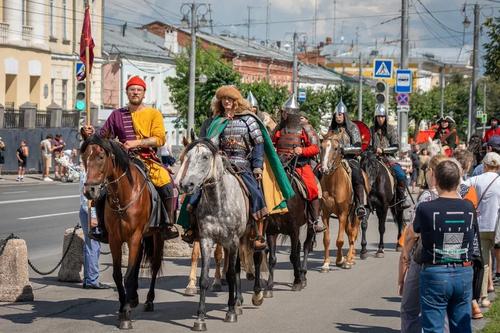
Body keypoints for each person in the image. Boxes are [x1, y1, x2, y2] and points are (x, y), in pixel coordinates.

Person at [80, 76, 178, 242]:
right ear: (127, 92)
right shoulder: (117, 115)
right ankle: (102, 227)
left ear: (144, 93)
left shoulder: (153, 114)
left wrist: (136, 142)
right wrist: (89, 135)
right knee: (103, 189)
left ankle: (166, 224)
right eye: (132, 89)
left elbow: (159, 139)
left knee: (167, 182)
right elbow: (102, 137)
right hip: (122, 161)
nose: (135, 92)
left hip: (147, 159)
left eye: (139, 90)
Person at [414, 160, 475, 332]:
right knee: (462, 327)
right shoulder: (469, 207)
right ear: (458, 181)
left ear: (435, 180)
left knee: (433, 328)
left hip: (435, 271)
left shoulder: (425, 208)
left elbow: (415, 232)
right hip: (464, 271)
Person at [399, 154, 448, 333]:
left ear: (433, 173)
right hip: (450, 260)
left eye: (427, 170)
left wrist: (404, 256)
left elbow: (412, 234)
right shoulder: (459, 194)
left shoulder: (426, 197)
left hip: (423, 259)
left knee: (410, 309)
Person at [272, 94, 325, 233]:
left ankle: (314, 220)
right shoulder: (279, 128)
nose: (283, 114)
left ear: (291, 113)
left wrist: (302, 150)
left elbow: (315, 148)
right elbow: (272, 143)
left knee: (312, 187)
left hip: (299, 164)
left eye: (285, 112)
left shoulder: (305, 128)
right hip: (279, 164)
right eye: (283, 112)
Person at [464, 152, 500, 308]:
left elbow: (460, 187)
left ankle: (483, 297)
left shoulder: (476, 179)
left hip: (481, 226)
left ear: (484, 166)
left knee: (483, 263)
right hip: (498, 226)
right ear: (498, 167)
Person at [453, 149, 484, 319]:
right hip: (466, 234)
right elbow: (472, 212)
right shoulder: (467, 189)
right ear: (467, 166)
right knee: (475, 262)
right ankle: (472, 301)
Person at [327, 98, 368, 218]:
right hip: (333, 160)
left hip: (349, 159)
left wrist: (344, 150)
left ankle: (360, 204)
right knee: (319, 172)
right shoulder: (332, 130)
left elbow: (358, 146)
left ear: (344, 115)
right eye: (336, 115)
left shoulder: (353, 127)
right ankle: (320, 204)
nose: (338, 117)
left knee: (357, 175)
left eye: (340, 114)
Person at [369, 103, 411, 209]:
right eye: (378, 116)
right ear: (375, 117)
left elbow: (396, 146)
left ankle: (402, 198)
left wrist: (383, 150)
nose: (380, 119)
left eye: (382, 116)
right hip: (373, 158)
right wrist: (374, 150)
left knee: (401, 174)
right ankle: (360, 200)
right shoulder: (371, 129)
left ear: (385, 117)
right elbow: (368, 145)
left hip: (389, 158)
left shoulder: (391, 129)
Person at [79, 168, 111, 289]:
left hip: (85, 211)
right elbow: (90, 196)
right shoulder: (91, 172)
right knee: (93, 246)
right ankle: (92, 280)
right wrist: (93, 216)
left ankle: (88, 279)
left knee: (90, 246)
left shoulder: (87, 169)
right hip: (90, 212)